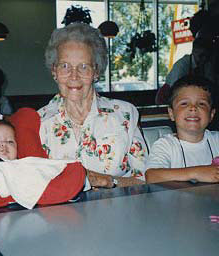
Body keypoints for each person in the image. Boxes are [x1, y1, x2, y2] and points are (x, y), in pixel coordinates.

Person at [39, 22, 147, 189]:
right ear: (54, 71)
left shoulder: (125, 114)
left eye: (83, 67)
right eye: (65, 66)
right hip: (61, 214)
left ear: (96, 71)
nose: (74, 76)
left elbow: (145, 179)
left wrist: (109, 181)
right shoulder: (39, 121)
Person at [145, 74, 219, 184]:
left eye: (201, 104)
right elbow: (151, 176)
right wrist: (197, 173)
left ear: (211, 114)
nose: (193, 108)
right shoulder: (166, 145)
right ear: (171, 113)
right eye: (184, 103)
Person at [155, 35, 215, 105]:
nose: (204, 59)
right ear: (194, 51)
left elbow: (210, 85)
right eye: (201, 55)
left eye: (206, 56)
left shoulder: (207, 64)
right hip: (167, 98)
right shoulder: (181, 65)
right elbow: (175, 89)